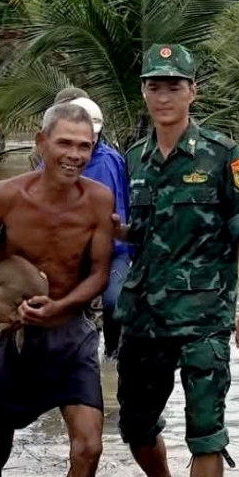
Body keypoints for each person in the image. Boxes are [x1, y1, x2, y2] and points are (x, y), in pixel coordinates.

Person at [115, 43, 239, 477]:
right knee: (135, 425)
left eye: (174, 87)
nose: (164, 97)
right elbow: (123, 234)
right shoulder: (132, 160)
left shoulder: (222, 155)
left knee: (206, 431)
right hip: (143, 317)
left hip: (204, 316)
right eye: (154, 86)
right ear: (143, 92)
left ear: (192, 91)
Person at [0, 102, 117, 477]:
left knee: (90, 445)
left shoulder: (99, 200)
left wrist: (61, 305)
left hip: (72, 334)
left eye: (85, 146)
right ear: (41, 142)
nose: (74, 155)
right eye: (64, 143)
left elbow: (99, 273)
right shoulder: (8, 196)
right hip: (15, 339)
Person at [72, 97, 131, 358]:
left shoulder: (112, 160)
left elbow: (125, 204)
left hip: (112, 251)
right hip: (72, 252)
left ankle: (113, 354)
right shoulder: (56, 160)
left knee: (113, 302)